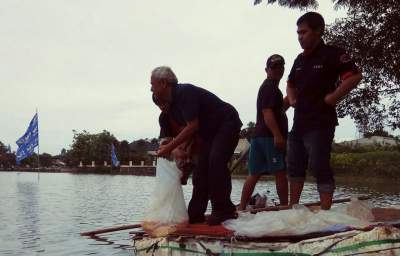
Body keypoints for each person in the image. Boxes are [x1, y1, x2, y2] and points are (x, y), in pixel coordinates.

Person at [286, 12, 362, 210]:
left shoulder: (332, 53)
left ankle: (325, 211)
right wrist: (292, 99)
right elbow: (290, 83)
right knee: (294, 166)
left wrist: (333, 97)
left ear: (318, 30)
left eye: (303, 32)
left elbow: (354, 76)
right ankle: (293, 208)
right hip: (299, 123)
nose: (300, 37)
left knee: (319, 166)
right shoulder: (299, 60)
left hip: (321, 122)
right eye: (298, 33)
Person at [151, 66, 242, 225]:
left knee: (216, 161)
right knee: (201, 171)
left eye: (152, 84)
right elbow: (188, 135)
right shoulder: (171, 109)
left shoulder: (185, 93)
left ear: (164, 83)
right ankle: (195, 214)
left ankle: (223, 210)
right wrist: (182, 164)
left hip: (227, 123)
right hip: (210, 134)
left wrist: (170, 148)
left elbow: (192, 126)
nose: (151, 88)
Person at [238, 54, 289, 211]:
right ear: (267, 70)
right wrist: (277, 135)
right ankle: (284, 207)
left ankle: (241, 208)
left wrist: (291, 95)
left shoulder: (271, 88)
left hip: (259, 137)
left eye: (280, 67)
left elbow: (278, 110)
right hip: (268, 137)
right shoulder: (269, 87)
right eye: (274, 68)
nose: (277, 70)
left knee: (254, 174)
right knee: (280, 172)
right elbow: (267, 113)